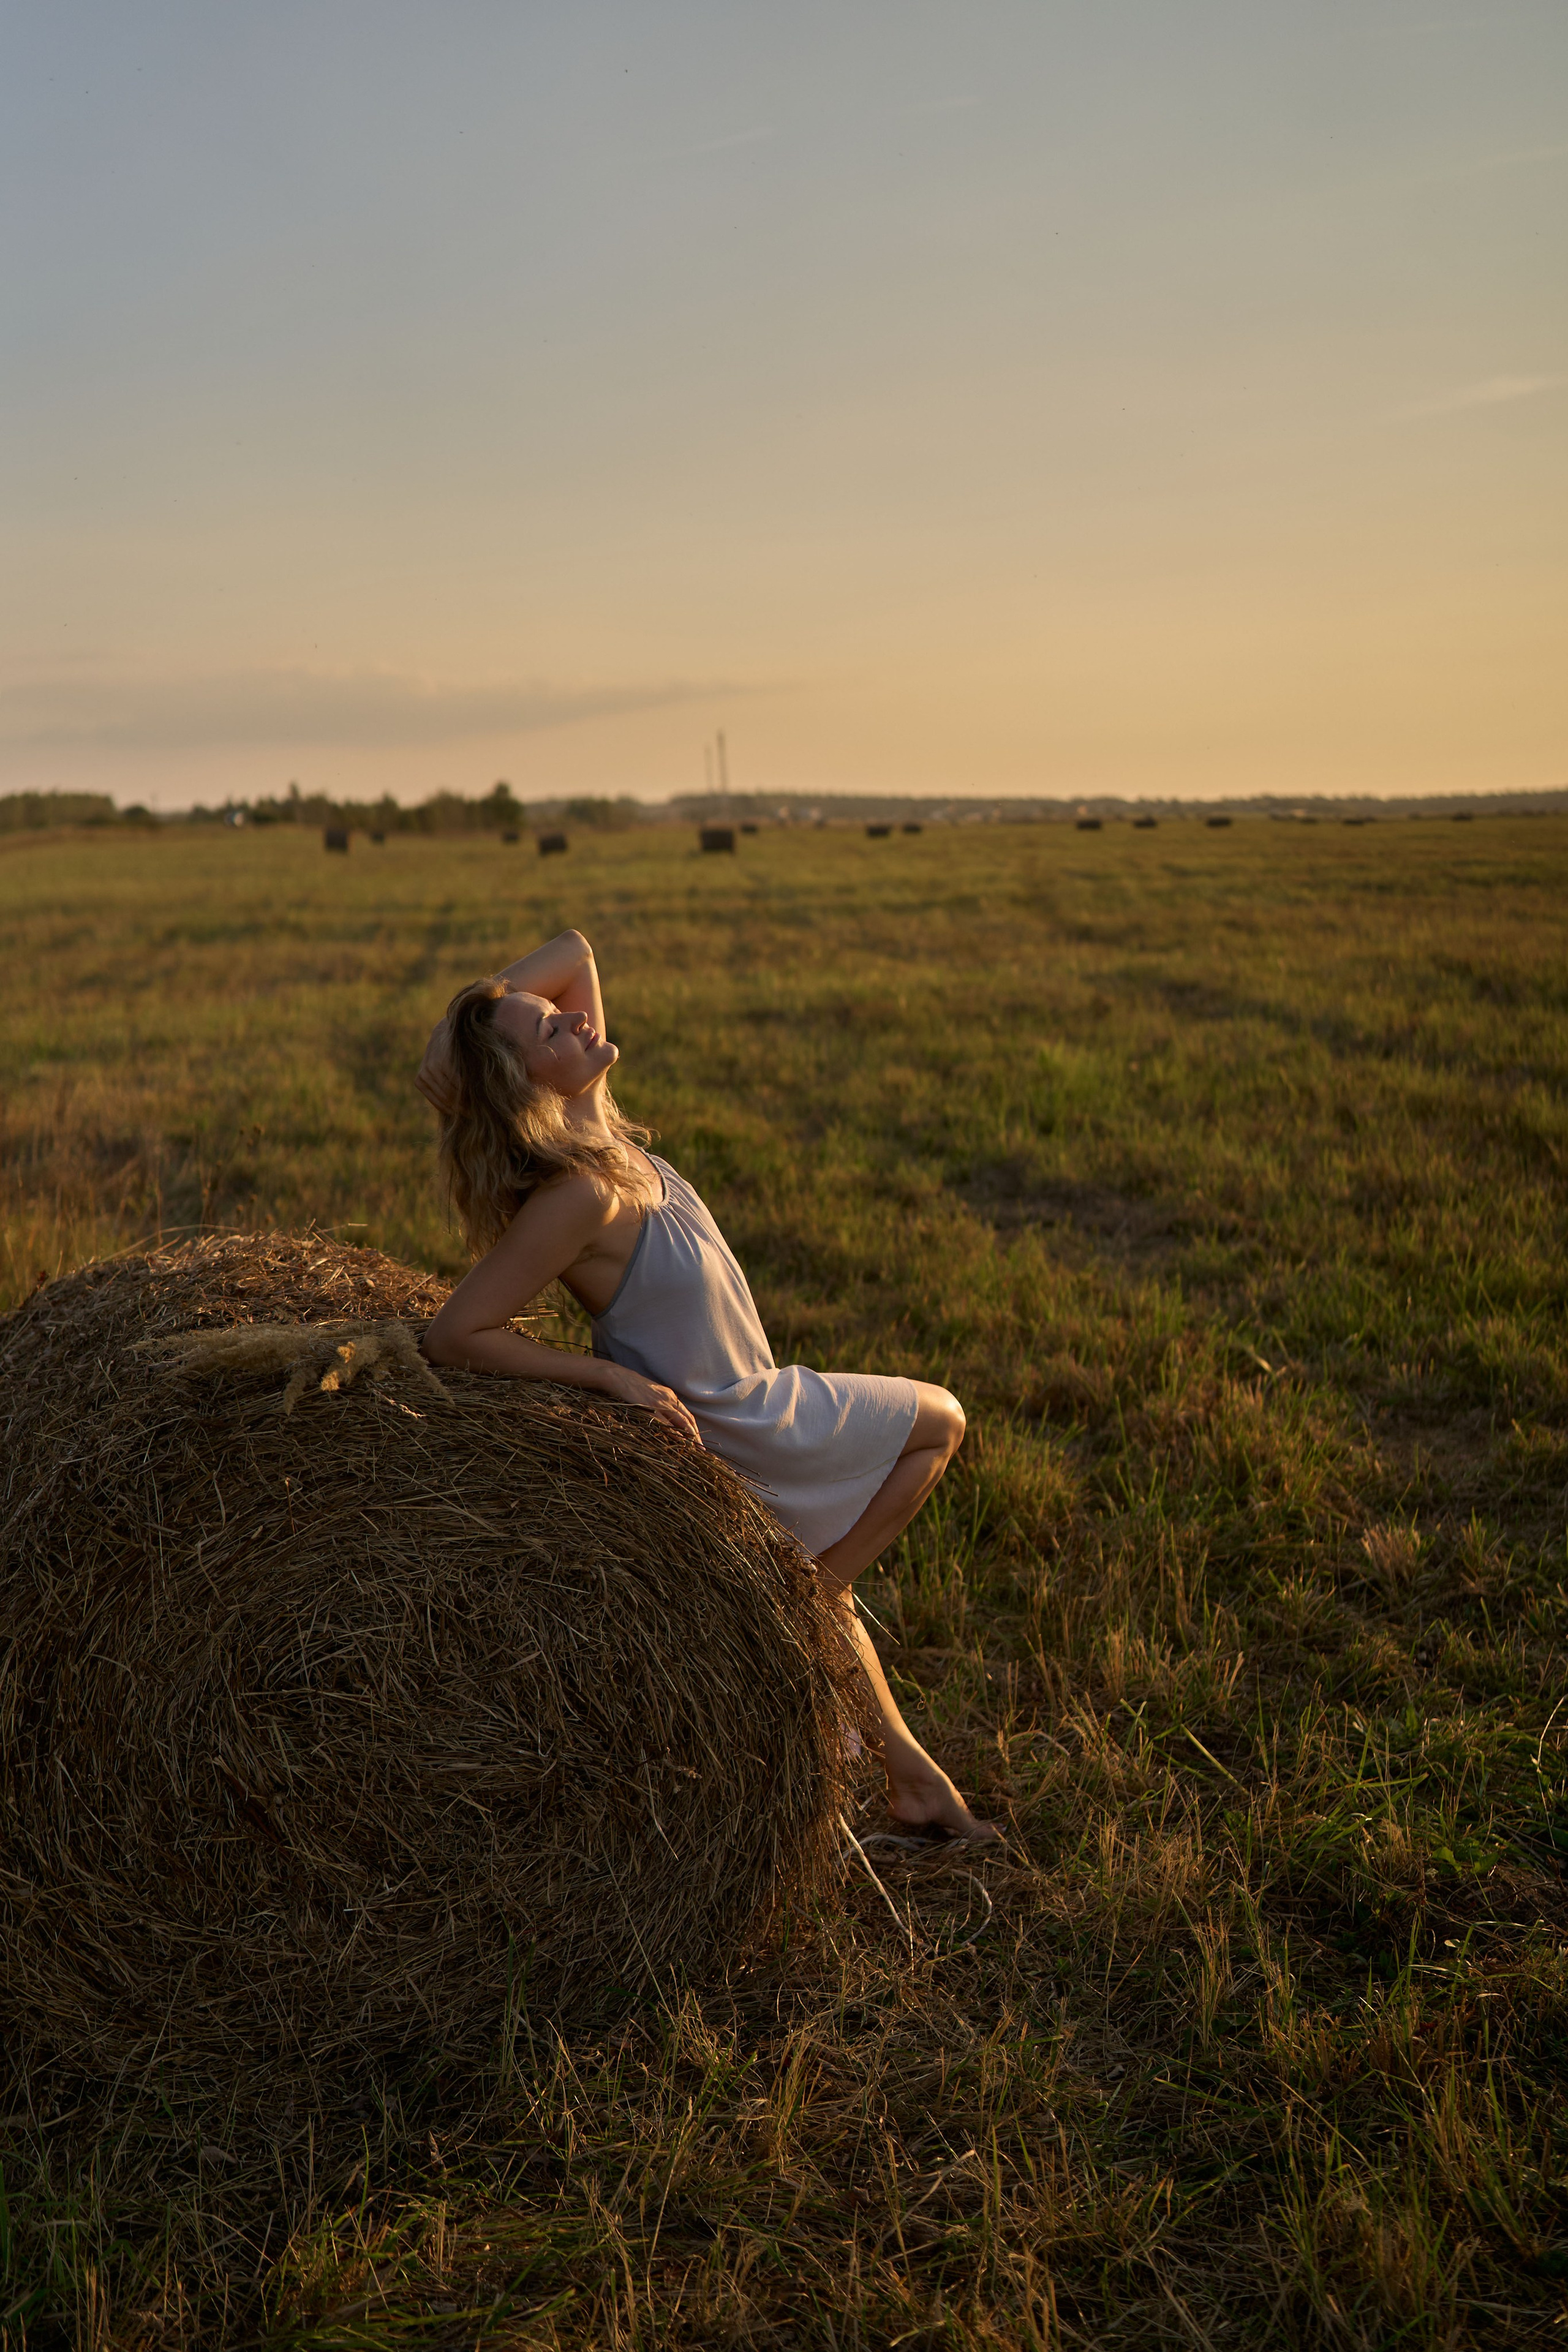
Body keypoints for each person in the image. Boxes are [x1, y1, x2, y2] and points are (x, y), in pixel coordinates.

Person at [417, 928, 997, 1842]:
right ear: (529, 1084)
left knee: (824, 1577)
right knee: (941, 1423)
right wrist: (608, 1378)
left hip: (759, 1393)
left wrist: (504, 1017)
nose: (575, 1016)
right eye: (552, 1034)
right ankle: (802, 1601)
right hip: (737, 1415)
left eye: (564, 1017)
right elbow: (455, 1334)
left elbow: (575, 950)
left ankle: (913, 1781)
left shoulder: (598, 1125)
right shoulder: (577, 1197)